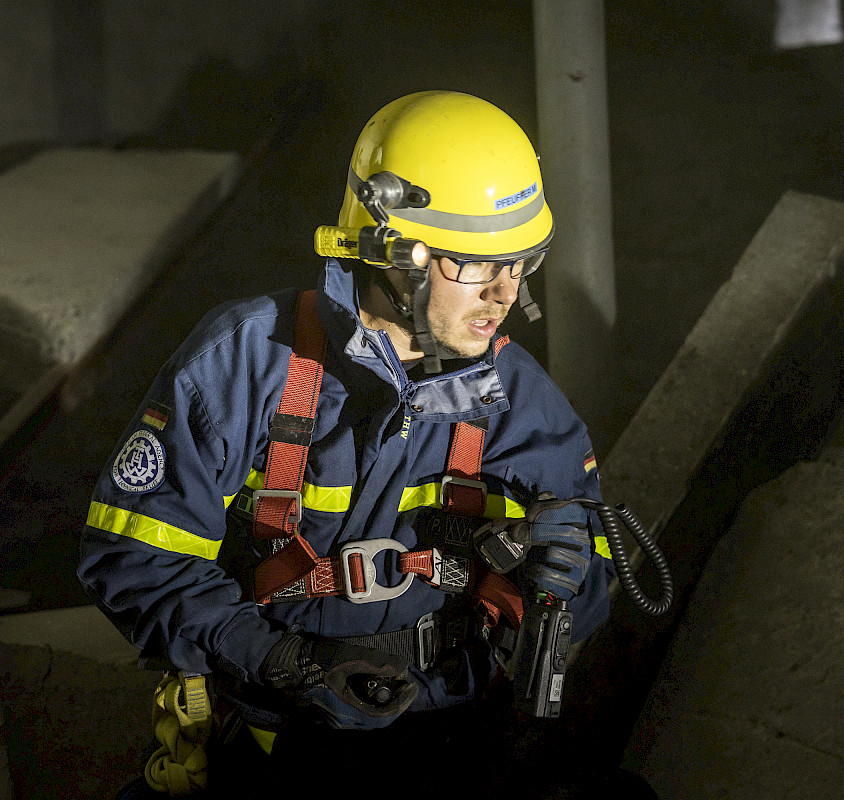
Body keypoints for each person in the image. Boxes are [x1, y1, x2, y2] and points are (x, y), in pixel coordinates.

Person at [78, 90, 617, 798]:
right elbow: (134, 560)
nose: (503, 293)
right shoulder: (248, 363)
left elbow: (600, 588)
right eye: (474, 264)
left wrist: (568, 574)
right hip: (278, 727)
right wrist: (284, 664)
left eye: (520, 262)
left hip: (451, 732)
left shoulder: (518, 397)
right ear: (391, 251)